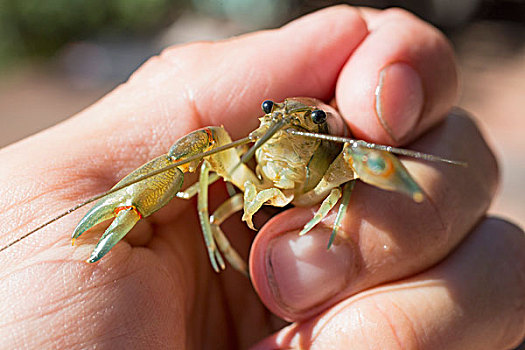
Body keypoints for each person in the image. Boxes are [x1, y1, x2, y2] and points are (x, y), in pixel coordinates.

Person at [0, 5, 523, 349]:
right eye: (274, 116)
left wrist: (394, 193)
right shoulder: (246, 143)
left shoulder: (344, 150)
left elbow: (362, 170)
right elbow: (202, 166)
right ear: (266, 115)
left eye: (307, 124)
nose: (285, 130)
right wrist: (198, 220)